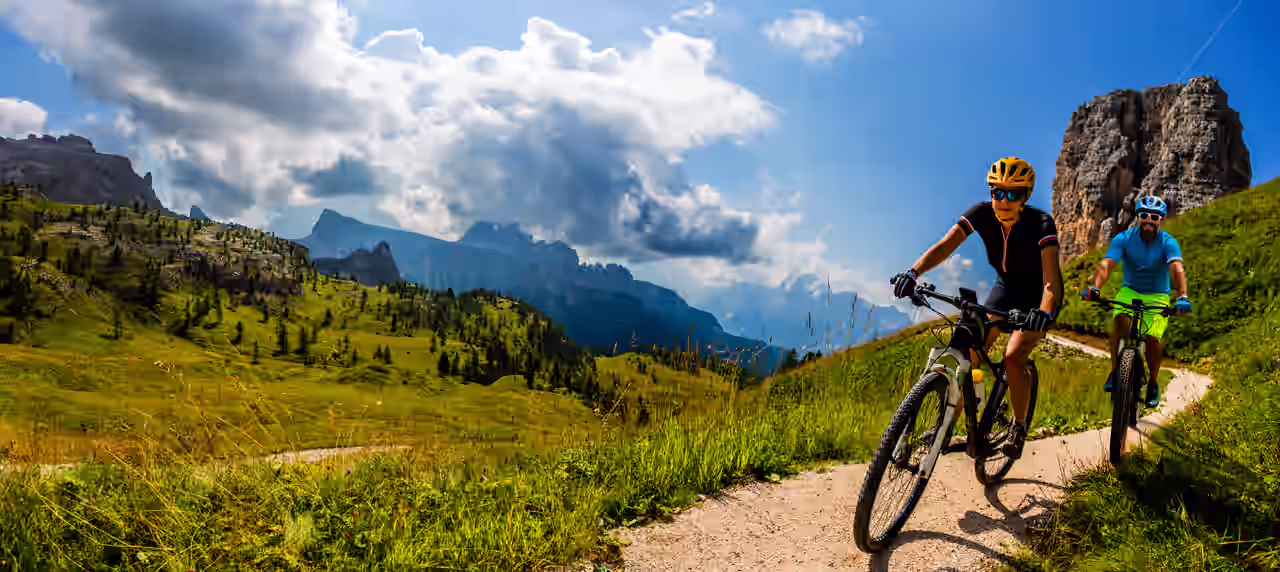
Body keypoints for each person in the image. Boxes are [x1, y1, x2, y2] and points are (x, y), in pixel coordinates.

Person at [892, 157, 1063, 460]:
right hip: (1004, 289)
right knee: (967, 354)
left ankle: (1019, 426)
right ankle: (948, 426)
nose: (1003, 201)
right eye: (997, 192)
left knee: (1012, 357)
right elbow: (945, 246)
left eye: (1013, 194)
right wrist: (913, 272)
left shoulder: (1041, 223)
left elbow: (1051, 281)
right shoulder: (982, 214)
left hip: (1036, 298)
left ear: (1025, 196)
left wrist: (1045, 313)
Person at [1081, 194, 1192, 409]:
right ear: (1137, 216)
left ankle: (1152, 383)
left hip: (1158, 294)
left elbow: (1176, 268)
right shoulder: (1123, 239)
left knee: (1152, 339)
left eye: (1155, 217)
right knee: (1119, 323)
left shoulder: (1169, 243)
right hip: (1129, 291)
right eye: (1144, 215)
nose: (1149, 220)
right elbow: (1107, 264)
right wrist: (1095, 287)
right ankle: (1115, 371)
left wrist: (1182, 297)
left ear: (1161, 219)